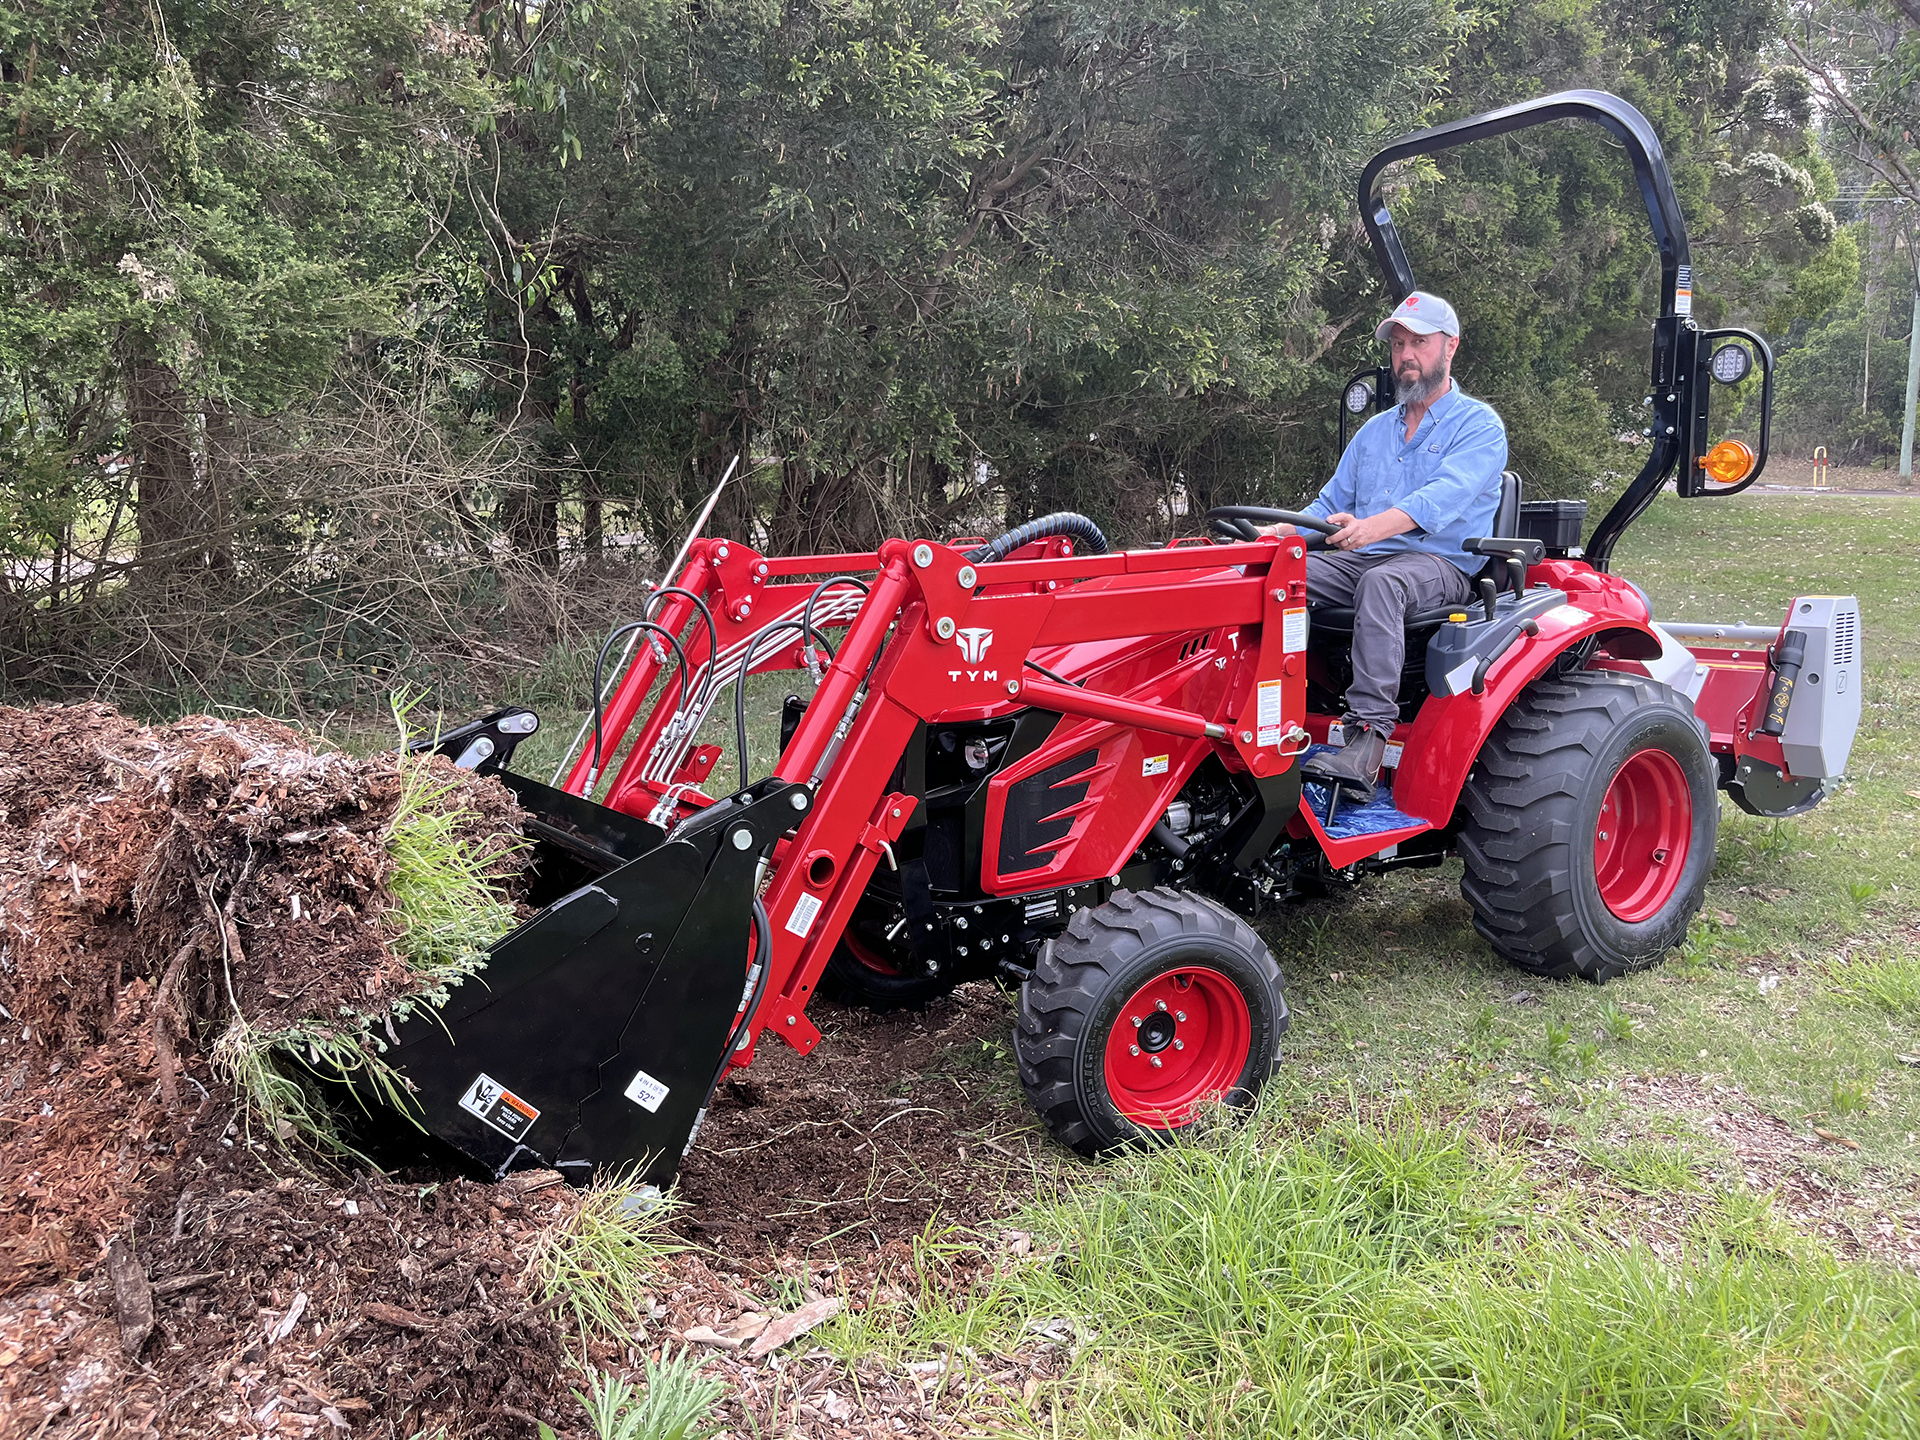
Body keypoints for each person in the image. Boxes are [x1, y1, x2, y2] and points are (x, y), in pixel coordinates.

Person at [1272, 291, 1508, 800]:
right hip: (1365, 559)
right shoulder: (1374, 432)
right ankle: (1265, 714)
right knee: (1278, 579)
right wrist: (1279, 536)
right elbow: (1328, 502)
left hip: (1439, 564)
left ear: (1450, 347)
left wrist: (1375, 526)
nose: (1406, 355)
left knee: (1383, 583)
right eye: (1399, 344)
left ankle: (1367, 741)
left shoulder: (1479, 426)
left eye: (1418, 342)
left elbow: (1441, 498)